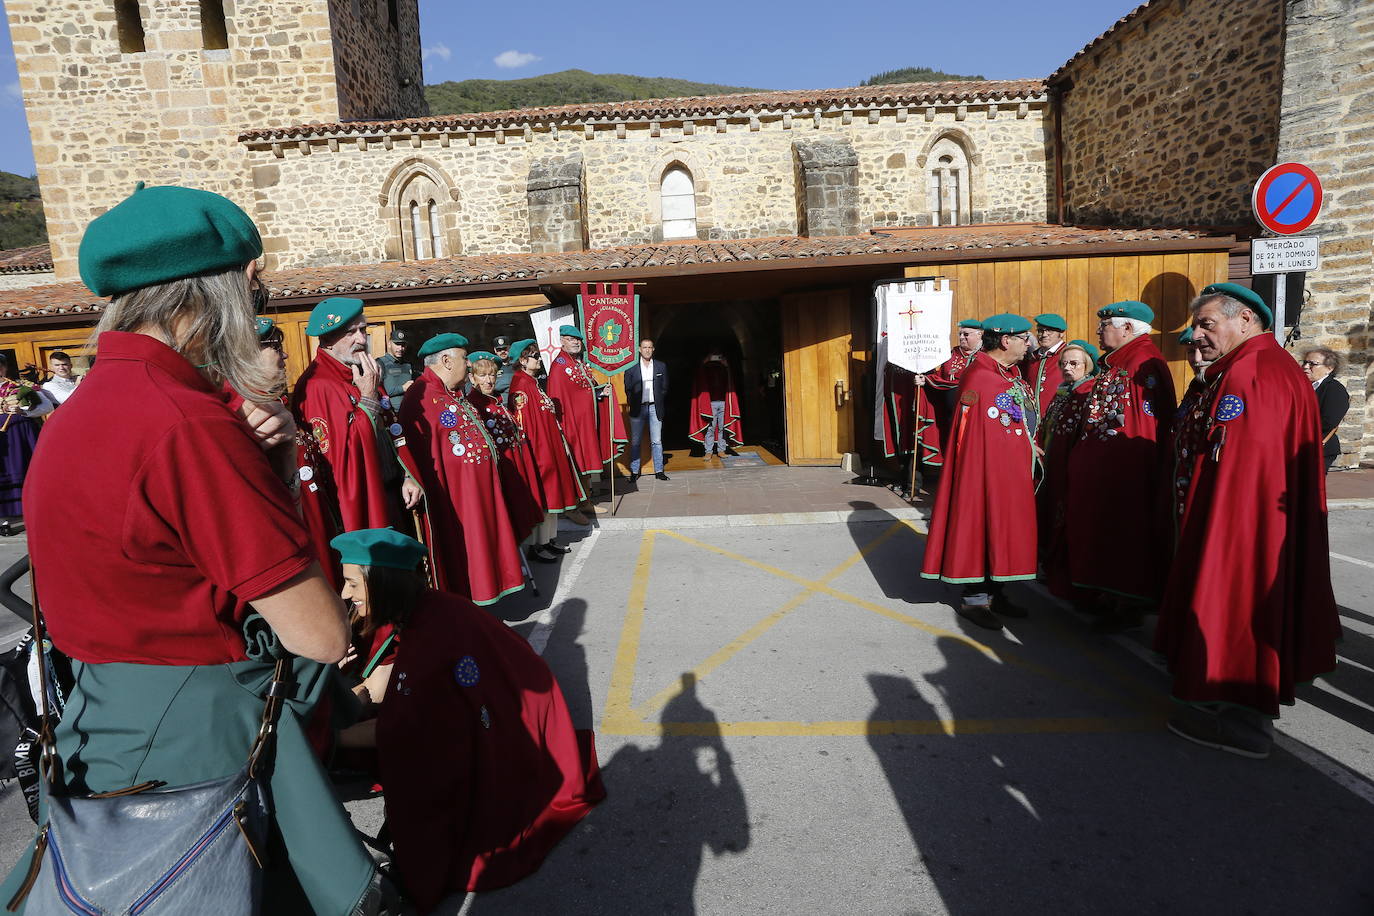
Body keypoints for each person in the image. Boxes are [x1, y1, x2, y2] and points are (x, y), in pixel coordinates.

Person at [0, 183, 381, 914]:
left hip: (100, 732)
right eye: (255, 289)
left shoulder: (77, 416)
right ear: (216, 294)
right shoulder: (186, 422)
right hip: (199, 754)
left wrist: (263, 463)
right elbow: (321, 633)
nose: (258, 306)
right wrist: (274, 475)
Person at [329, 528, 604, 912]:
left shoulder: (430, 641)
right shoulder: (429, 608)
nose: (344, 593)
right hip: (514, 703)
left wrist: (330, 738)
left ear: (385, 583)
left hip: (507, 727)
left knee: (414, 785)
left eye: (351, 582)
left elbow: (399, 731)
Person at [1155, 283, 1340, 759]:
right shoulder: (1263, 365)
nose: (1196, 335)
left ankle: (1242, 720)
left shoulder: (1249, 372)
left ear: (1246, 321)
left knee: (1238, 603)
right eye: (1197, 326)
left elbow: (1240, 470)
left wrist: (1217, 536)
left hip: (1243, 527)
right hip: (1254, 520)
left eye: (1207, 325)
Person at [1064, 300, 1177, 631]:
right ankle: (1109, 597)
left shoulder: (1143, 363)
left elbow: (1144, 423)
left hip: (1128, 474)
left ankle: (1127, 604)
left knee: (1127, 537)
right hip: (1107, 472)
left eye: (1105, 325)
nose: (1099, 331)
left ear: (1127, 328)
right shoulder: (1117, 361)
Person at [919, 314, 1037, 630]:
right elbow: (977, 437)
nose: (1029, 345)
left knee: (1002, 528)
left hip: (1007, 472)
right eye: (1025, 339)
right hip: (985, 473)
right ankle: (975, 600)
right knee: (983, 525)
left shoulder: (1006, 373)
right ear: (1006, 340)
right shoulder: (982, 377)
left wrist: (1028, 444)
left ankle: (996, 592)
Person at [290, 296, 422, 557]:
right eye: (351, 332)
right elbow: (343, 458)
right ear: (327, 339)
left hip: (393, 493)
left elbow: (389, 426)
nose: (362, 339)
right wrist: (368, 399)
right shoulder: (319, 385)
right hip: (364, 501)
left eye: (363, 329)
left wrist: (408, 474)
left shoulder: (360, 370)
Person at [400, 333, 525, 605]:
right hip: (456, 500)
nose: (468, 365)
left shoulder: (451, 393)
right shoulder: (420, 397)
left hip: (474, 494)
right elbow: (413, 453)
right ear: (446, 360)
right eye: (463, 358)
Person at [466, 351, 552, 561]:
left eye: (492, 375)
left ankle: (530, 548)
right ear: (472, 378)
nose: (489, 380)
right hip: (501, 467)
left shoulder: (495, 399)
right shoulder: (474, 404)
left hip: (515, 462)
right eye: (483, 375)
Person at [1035, 340, 1098, 599]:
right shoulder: (1063, 390)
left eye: (1075, 363)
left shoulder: (1089, 392)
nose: (1068, 368)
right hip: (1052, 467)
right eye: (1064, 363)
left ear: (1087, 366)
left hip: (1071, 470)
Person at [507, 339, 590, 528]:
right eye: (534, 356)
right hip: (540, 448)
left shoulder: (531, 381)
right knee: (546, 493)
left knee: (554, 490)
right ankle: (543, 543)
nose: (539, 359)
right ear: (523, 360)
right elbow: (525, 424)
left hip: (549, 442)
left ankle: (550, 539)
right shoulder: (521, 385)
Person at [546, 324, 622, 506]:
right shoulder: (560, 366)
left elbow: (582, 390)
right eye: (571, 339)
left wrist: (600, 392)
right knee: (578, 460)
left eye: (578, 340)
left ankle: (587, 497)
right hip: (572, 425)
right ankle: (582, 503)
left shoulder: (576, 362)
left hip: (584, 423)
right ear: (562, 341)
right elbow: (560, 397)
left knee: (585, 460)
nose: (576, 343)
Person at [909, 318, 983, 467]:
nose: (962, 337)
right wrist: (925, 380)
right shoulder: (951, 354)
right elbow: (939, 378)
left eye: (966, 334)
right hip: (951, 416)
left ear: (980, 334)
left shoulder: (987, 356)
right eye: (960, 334)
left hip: (978, 417)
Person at [0, 352, 49, 534]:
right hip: (2, 440)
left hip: (21, 435)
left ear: (5, 367)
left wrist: (23, 410)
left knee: (26, 470)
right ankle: (4, 520)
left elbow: (47, 407)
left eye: (0, 365)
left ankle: (33, 514)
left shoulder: (23, 386)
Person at [624, 337, 669, 482]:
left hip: (654, 407)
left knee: (657, 441)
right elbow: (628, 389)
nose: (647, 350)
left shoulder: (661, 366)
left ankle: (659, 471)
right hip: (638, 408)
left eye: (650, 347)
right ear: (639, 349)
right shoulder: (631, 369)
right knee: (636, 441)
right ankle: (634, 471)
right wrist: (633, 402)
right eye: (644, 347)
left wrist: (658, 399)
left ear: (653, 349)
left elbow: (664, 387)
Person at [1301, 347, 1349, 470]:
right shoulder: (1302, 386)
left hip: (1317, 448)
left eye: (1312, 364)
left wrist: (1296, 426)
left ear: (1329, 368)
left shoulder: (1335, 389)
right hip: (1298, 446)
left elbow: (1328, 421)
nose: (1305, 367)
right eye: (1305, 362)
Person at [689, 349, 741, 459]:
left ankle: (721, 450)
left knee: (722, 427)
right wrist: (705, 362)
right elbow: (699, 379)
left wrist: (726, 365)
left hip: (724, 402)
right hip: (710, 402)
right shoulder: (705, 369)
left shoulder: (725, 368)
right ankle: (708, 451)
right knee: (710, 428)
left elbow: (730, 381)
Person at [1021, 312, 1069, 418]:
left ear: (1061, 334)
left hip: (1059, 419)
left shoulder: (1069, 355)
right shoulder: (1032, 358)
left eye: (1050, 331)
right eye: (1040, 330)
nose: (1044, 334)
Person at [377, 327, 415, 400]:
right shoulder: (380, 363)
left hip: (409, 409)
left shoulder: (408, 364)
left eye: (403, 345)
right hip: (392, 410)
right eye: (397, 344)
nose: (400, 348)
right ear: (389, 344)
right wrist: (402, 388)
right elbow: (377, 391)